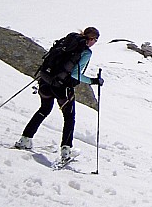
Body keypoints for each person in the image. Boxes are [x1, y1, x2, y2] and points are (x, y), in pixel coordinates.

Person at [15, 26, 103, 162]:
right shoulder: (85, 52)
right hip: (62, 87)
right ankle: (66, 151)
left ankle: (25, 139)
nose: (94, 43)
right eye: (95, 40)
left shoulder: (69, 40)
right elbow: (75, 74)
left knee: (44, 109)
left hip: (45, 81)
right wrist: (94, 81)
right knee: (69, 117)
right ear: (91, 39)